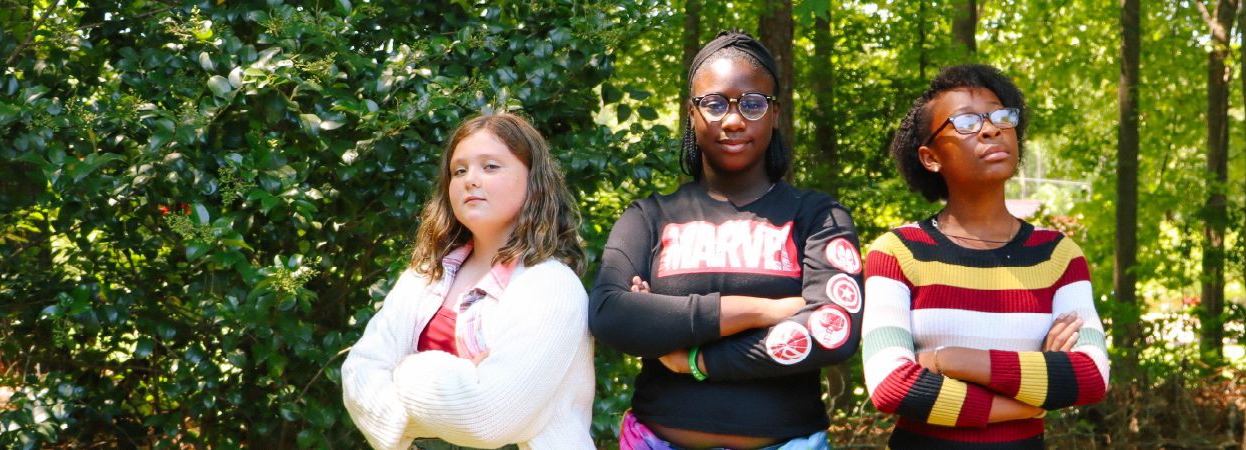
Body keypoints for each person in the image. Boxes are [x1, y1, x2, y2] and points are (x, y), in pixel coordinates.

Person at [589, 30, 861, 450]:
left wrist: (697, 359)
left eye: (752, 104)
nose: (733, 119)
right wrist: (761, 311)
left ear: (774, 113)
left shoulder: (818, 215)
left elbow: (833, 330)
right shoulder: (648, 216)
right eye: (714, 103)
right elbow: (611, 315)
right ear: (692, 114)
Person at [859, 65, 1111, 450]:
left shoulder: (1058, 255)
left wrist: (949, 360)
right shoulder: (897, 252)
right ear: (930, 157)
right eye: (965, 122)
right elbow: (891, 387)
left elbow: (1091, 377)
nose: (991, 129)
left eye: (1000, 116)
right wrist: (1028, 401)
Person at [342, 112, 595, 450]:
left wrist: (406, 371)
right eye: (459, 170)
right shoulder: (425, 277)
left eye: (490, 166)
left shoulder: (551, 286)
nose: (470, 179)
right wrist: (462, 386)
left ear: (533, 180)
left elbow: (489, 418)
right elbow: (358, 375)